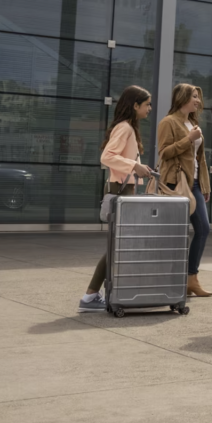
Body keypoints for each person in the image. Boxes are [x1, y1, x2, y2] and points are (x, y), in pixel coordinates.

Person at [78, 86, 155, 312]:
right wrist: (134, 165)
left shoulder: (128, 128)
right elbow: (107, 156)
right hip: (121, 191)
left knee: (118, 245)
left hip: (124, 190)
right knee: (115, 246)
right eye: (147, 104)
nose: (150, 108)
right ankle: (90, 296)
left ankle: (97, 295)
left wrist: (138, 167)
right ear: (135, 105)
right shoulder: (125, 128)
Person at [157, 83, 212, 297]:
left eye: (198, 97)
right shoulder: (168, 122)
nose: (198, 100)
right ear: (182, 98)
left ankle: (191, 278)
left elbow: (201, 159)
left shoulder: (193, 123)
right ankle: (176, 279)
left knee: (203, 229)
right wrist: (188, 140)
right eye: (194, 96)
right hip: (175, 184)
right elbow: (164, 153)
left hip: (195, 184)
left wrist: (205, 186)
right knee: (175, 234)